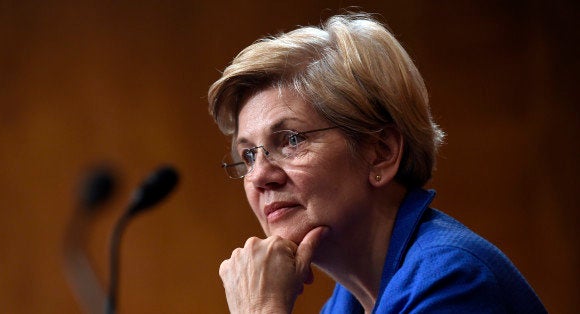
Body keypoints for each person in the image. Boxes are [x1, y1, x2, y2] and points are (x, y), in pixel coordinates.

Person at [208, 12, 546, 313]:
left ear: (381, 153)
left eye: (292, 139)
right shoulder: (346, 303)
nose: (260, 176)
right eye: (249, 154)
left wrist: (262, 309)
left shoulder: (453, 282)